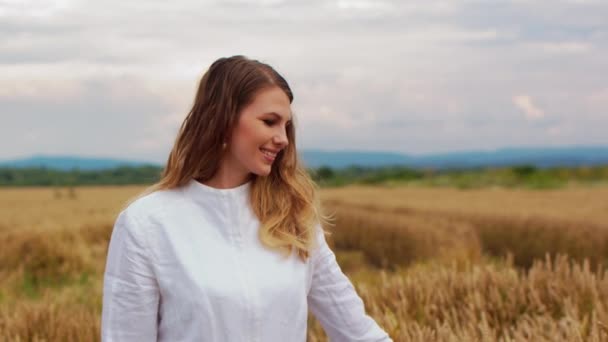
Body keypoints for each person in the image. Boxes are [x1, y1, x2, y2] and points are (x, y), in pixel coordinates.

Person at [100, 55, 392, 341]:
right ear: (224, 121)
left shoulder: (294, 219)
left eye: (286, 126)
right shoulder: (146, 224)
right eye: (269, 121)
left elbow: (359, 332)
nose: (283, 139)